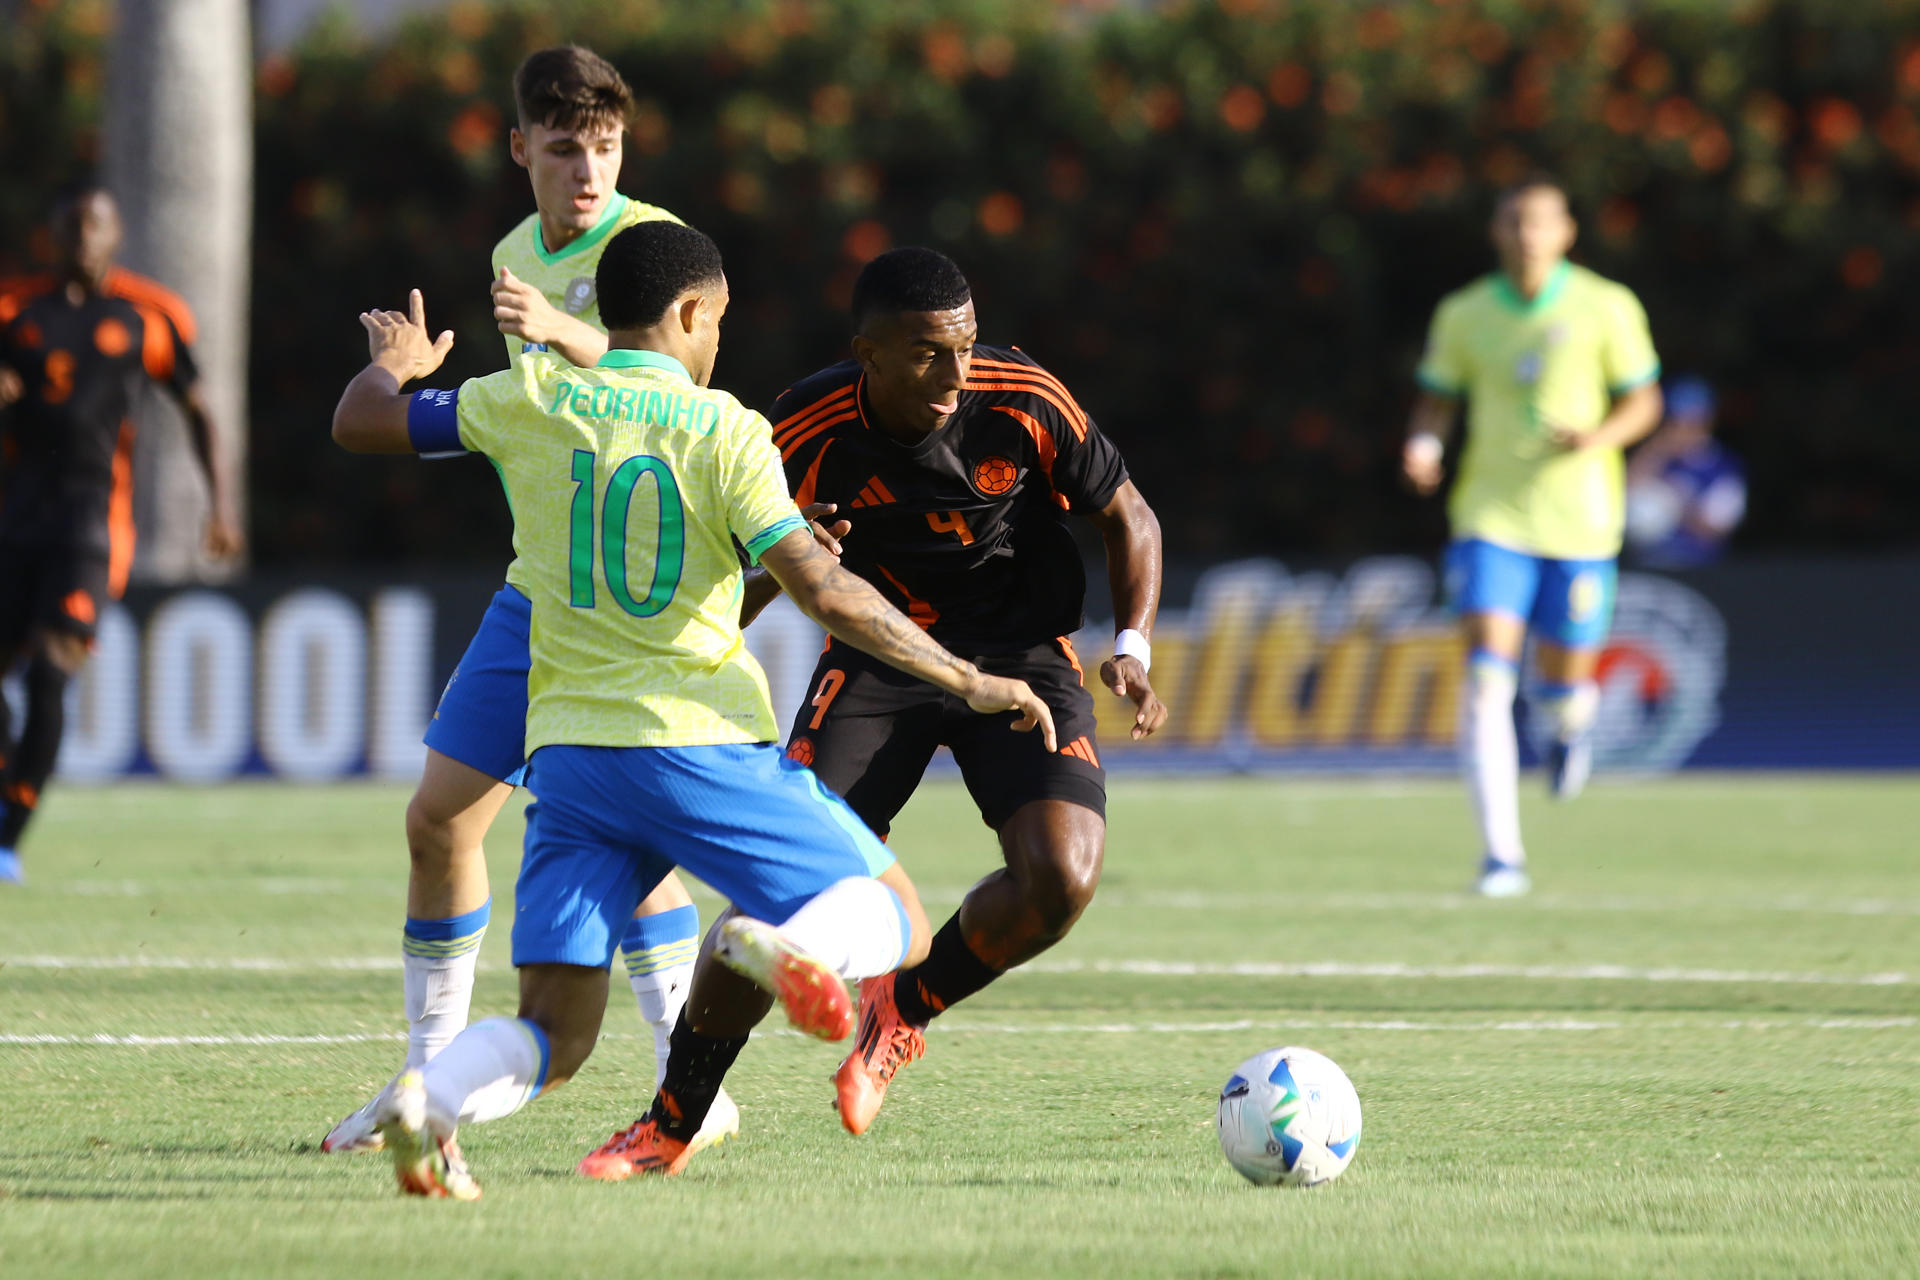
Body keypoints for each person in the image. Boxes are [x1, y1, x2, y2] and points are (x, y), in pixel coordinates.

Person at [329, 219, 1054, 1199]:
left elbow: (364, 421)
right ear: (689, 312)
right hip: (693, 741)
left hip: (573, 760)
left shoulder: (530, 395)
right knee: (899, 918)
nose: (720, 339)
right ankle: (777, 943)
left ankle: (434, 1098)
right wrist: (966, 678)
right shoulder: (726, 428)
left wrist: (397, 365)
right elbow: (828, 594)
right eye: (716, 320)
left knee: (555, 1028)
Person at [576, 245, 1167, 1175]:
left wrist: (1130, 645)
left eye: (965, 348)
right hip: (879, 663)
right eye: (929, 353)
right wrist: (706, 638)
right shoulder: (801, 428)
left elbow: (1129, 514)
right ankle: (671, 1122)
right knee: (776, 896)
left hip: (1021, 656)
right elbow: (742, 571)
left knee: (1064, 877)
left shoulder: (1021, 396)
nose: (957, 373)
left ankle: (904, 1007)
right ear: (869, 354)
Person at [321, 45, 726, 1153]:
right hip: (539, 586)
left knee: (618, 829)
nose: (589, 170)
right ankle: (421, 1083)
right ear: (521, 151)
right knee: (439, 818)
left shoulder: (651, 248)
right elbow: (548, 423)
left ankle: (687, 1081)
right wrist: (420, 373)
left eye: (605, 146)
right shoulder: (513, 250)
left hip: (630, 602)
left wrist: (566, 335)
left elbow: (682, 393)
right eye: (565, 147)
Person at [1402, 173, 1663, 897]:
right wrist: (1423, 446)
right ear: (1497, 231)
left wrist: (1597, 437)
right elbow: (1436, 402)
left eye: (1540, 223)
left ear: (1566, 232)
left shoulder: (1606, 306)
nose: (1527, 236)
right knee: (1486, 678)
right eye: (1514, 222)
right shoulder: (1465, 313)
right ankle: (1501, 856)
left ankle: (1568, 727)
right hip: (1491, 518)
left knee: (1563, 688)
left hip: (1580, 523)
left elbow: (1646, 401)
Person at [0, 185, 242, 884]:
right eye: (71, 226)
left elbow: (199, 411)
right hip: (15, 518)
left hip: (90, 524)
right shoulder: (15, 309)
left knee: (51, 670)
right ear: (53, 233)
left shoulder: (150, 314)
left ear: (116, 235)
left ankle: (9, 838)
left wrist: (219, 508)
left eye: (94, 226)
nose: (82, 238)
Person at [1624, 376, 1744, 569]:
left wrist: (1676, 503)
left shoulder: (1722, 466)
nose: (1680, 429)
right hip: (1644, 562)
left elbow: (1716, 530)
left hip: (1701, 568)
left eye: (1691, 422)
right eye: (1674, 421)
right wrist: (1657, 449)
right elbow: (1624, 490)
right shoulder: (1654, 455)